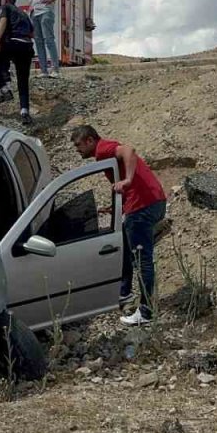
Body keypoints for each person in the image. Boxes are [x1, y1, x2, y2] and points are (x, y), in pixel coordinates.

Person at [71, 125, 168, 325]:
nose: (77, 150)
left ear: (90, 140)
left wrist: (127, 180)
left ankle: (146, 312)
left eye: (78, 145)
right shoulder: (103, 153)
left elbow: (129, 151)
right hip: (149, 202)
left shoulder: (103, 149)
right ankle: (124, 292)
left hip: (142, 207)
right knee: (124, 246)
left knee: (142, 260)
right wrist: (117, 205)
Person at [0, 0, 35, 124]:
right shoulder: (23, 13)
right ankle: (25, 112)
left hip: (13, 43)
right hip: (27, 46)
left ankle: (5, 90)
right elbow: (33, 34)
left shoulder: (6, 7)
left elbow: (2, 22)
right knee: (23, 80)